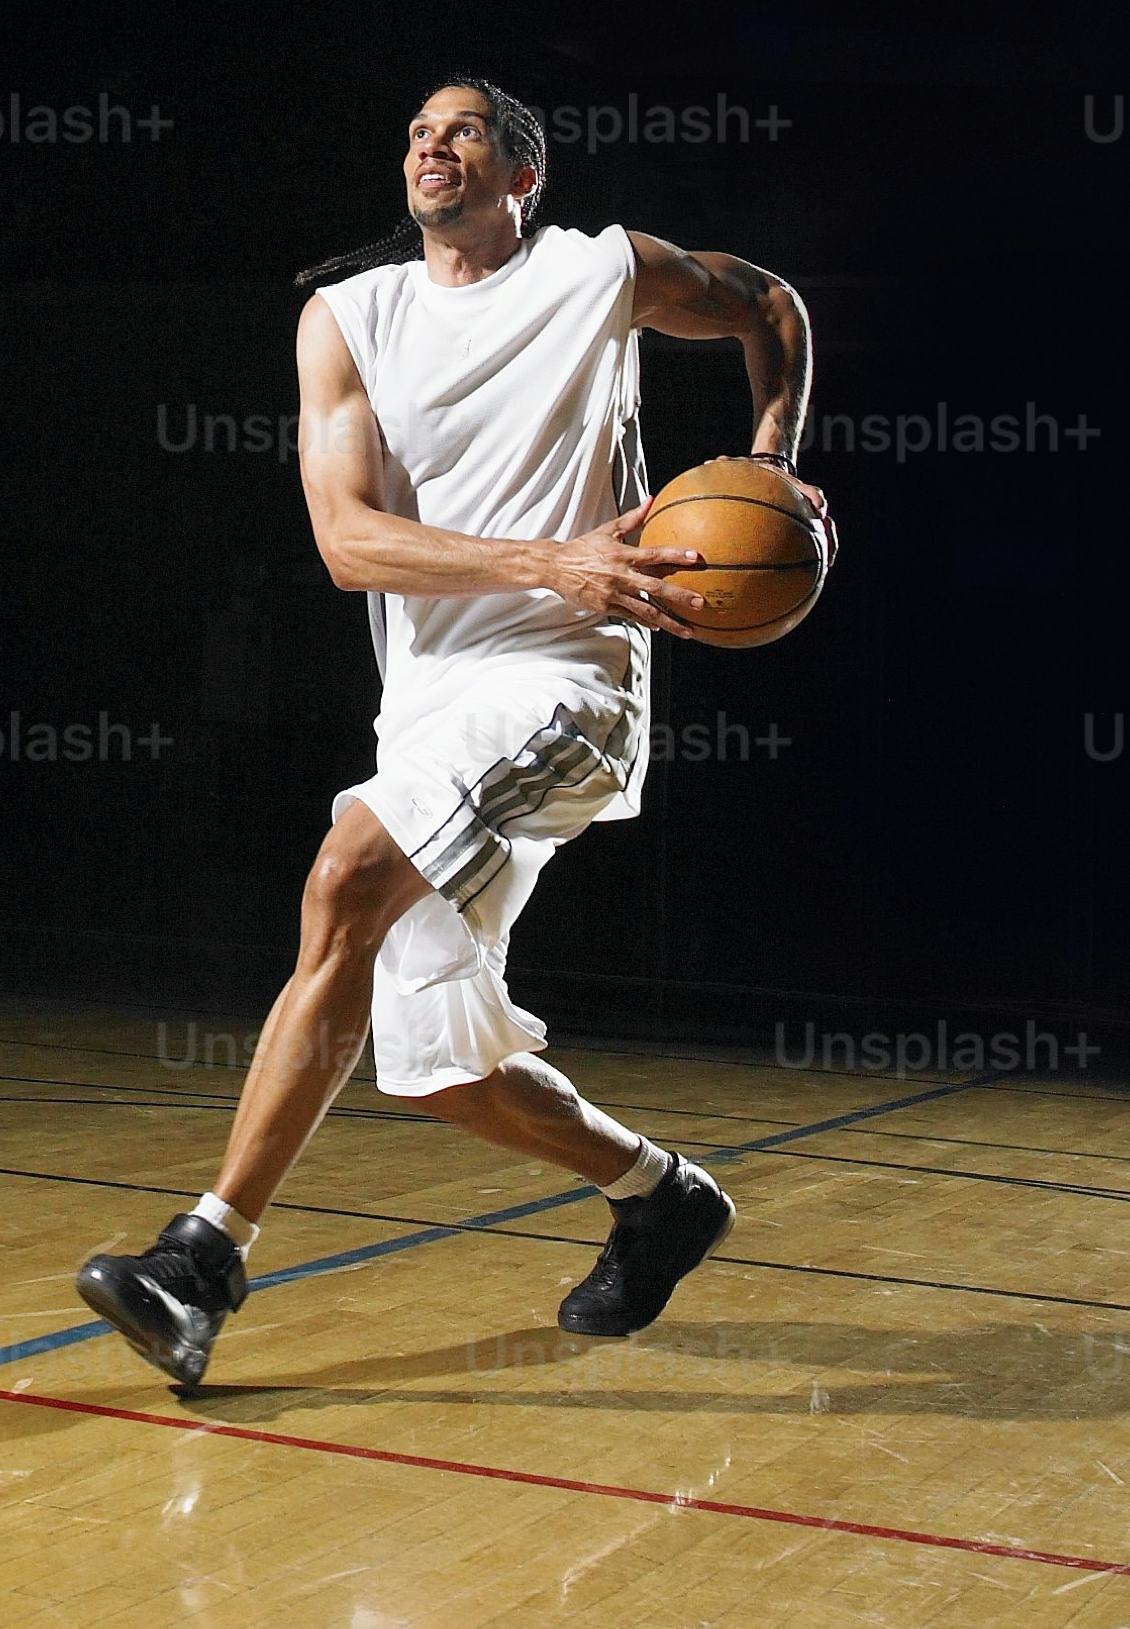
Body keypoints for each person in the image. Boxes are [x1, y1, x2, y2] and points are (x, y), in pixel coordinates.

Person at [77, 75, 822, 1388]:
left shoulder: (599, 275)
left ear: (521, 176)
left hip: (569, 688)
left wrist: (772, 453)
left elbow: (771, 304)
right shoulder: (346, 320)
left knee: (344, 877)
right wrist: (548, 556)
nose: (431, 141)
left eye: (464, 127)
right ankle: (661, 1196)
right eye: (417, 128)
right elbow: (347, 542)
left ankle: (202, 1257)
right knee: (433, 1065)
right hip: (434, 706)